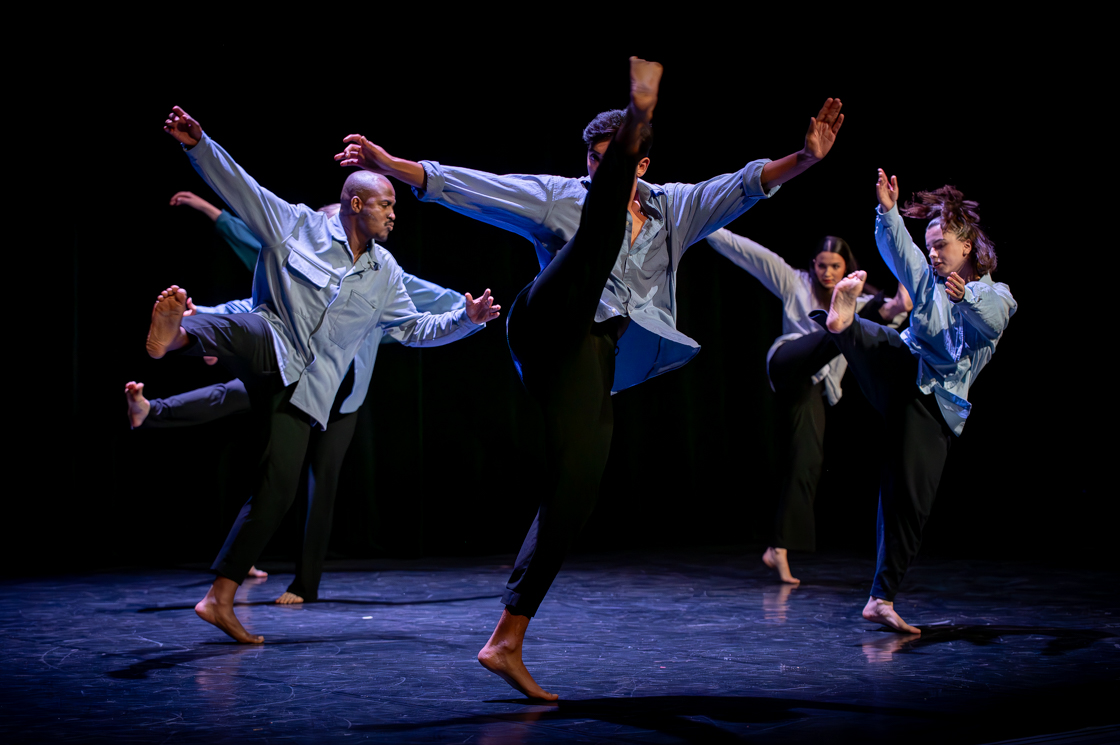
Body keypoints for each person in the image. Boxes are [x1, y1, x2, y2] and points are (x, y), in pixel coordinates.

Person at [335, 58, 843, 699]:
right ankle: (640, 112)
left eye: (617, 158)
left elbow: (740, 186)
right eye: (595, 160)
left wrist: (805, 157)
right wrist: (397, 165)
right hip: (547, 328)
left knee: (577, 489)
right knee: (595, 228)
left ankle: (506, 639)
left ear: (643, 164)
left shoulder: (674, 210)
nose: (599, 169)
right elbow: (477, 187)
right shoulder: (563, 195)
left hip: (593, 358)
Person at [154, 106, 500, 643]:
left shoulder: (385, 272)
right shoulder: (295, 225)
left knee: (279, 490)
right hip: (271, 339)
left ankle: (218, 598)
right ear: (356, 205)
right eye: (386, 204)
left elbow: (417, 328)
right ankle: (176, 338)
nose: (393, 213)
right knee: (244, 328)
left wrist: (468, 319)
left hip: (306, 388)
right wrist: (199, 146)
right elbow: (240, 187)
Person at [126, 203, 472, 601]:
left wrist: (469, 312)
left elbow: (436, 298)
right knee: (239, 413)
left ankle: (305, 584)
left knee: (316, 484)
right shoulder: (305, 269)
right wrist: (198, 313)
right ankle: (154, 410)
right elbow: (252, 303)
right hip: (294, 380)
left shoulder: (381, 274)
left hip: (340, 400)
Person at [814, 170, 1015, 634]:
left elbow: (990, 321)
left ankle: (880, 600)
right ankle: (845, 324)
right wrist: (888, 211)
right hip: (905, 370)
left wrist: (965, 298)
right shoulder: (928, 279)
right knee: (887, 343)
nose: (933, 252)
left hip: (936, 405)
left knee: (908, 501)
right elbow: (902, 254)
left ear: (967, 246)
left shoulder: (996, 295)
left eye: (941, 244)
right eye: (931, 244)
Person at [705, 229, 911, 583]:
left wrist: (904, 290)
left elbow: (897, 310)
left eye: (834, 267)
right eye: (821, 265)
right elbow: (748, 252)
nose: (826, 273)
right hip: (787, 362)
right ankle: (838, 324)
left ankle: (778, 548)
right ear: (812, 265)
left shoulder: (857, 300)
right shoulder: (794, 281)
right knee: (842, 326)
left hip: (810, 383)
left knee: (808, 460)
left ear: (846, 268)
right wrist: (705, 221)